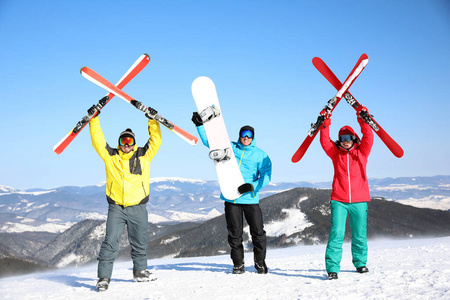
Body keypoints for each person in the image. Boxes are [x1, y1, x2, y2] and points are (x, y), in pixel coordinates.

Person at [88, 103, 161, 291]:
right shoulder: (111, 156)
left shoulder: (144, 156)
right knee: (110, 241)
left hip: (138, 207)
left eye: (129, 141)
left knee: (139, 241)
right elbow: (97, 140)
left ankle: (140, 272)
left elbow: (156, 141)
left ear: (133, 142)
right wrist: (94, 119)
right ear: (119, 142)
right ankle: (104, 278)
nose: (126, 145)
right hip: (117, 208)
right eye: (123, 141)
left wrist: (152, 120)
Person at [192, 113, 272, 274]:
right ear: (240, 136)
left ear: (253, 137)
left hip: (250, 199)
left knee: (258, 233)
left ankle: (260, 262)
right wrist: (200, 126)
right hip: (232, 198)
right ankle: (238, 264)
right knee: (234, 234)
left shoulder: (260, 154)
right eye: (243, 134)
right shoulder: (231, 147)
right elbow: (210, 143)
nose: (246, 137)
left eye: (249, 135)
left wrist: (252, 186)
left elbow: (267, 176)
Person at [319, 109, 374, 280]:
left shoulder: (362, 152)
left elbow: (368, 137)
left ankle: (360, 263)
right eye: (342, 138)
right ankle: (333, 268)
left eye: (348, 138)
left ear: (353, 138)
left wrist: (363, 120)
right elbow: (324, 142)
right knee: (337, 233)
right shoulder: (336, 154)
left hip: (359, 200)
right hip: (339, 200)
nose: (345, 141)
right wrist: (325, 124)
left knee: (359, 234)